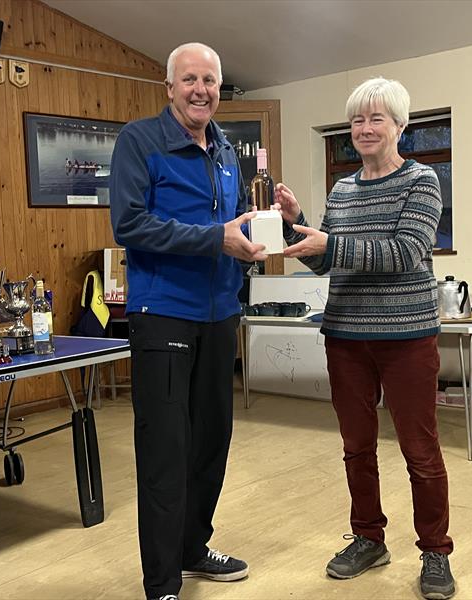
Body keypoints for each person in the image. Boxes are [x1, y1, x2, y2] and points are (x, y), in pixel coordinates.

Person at [275, 77, 455, 600]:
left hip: (406, 338)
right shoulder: (343, 189)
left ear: (400, 126)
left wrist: (331, 241)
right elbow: (326, 258)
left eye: (377, 118)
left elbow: (405, 252)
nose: (365, 128)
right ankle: (368, 538)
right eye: (357, 119)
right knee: (357, 447)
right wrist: (296, 225)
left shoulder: (423, 181)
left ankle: (435, 550)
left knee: (420, 451)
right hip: (347, 336)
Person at [109, 42, 265, 600]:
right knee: (165, 450)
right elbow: (128, 225)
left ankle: (193, 546)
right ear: (169, 86)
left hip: (220, 315)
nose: (201, 90)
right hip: (164, 317)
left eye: (211, 81)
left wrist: (263, 231)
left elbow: (229, 227)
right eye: (190, 80)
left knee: (210, 442)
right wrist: (214, 239)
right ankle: (163, 584)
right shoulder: (139, 141)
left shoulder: (224, 149)